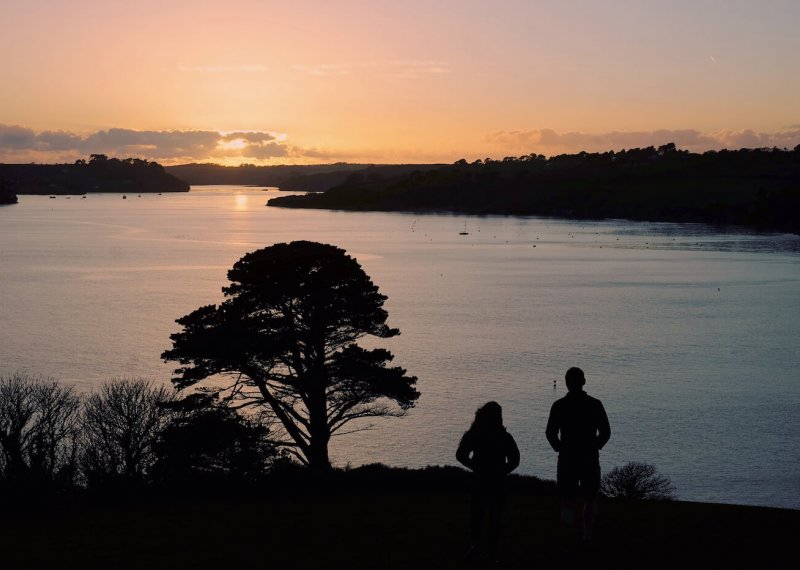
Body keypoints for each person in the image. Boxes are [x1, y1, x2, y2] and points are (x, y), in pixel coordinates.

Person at [546, 367, 611, 550]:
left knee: (567, 499)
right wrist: (595, 446)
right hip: (589, 457)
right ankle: (587, 536)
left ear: (566, 383)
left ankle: (567, 537)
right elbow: (605, 432)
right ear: (584, 381)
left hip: (567, 458)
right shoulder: (595, 404)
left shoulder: (559, 405)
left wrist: (560, 448)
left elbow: (550, 433)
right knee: (590, 497)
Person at [456, 401, 520, 562]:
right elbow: (515, 460)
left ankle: (477, 546)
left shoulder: (475, 434)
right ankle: (489, 550)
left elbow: (461, 455)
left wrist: (475, 467)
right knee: (493, 516)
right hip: (495, 481)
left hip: (481, 479)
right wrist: (503, 471)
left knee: (478, 515)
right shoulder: (504, 436)